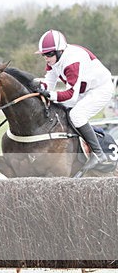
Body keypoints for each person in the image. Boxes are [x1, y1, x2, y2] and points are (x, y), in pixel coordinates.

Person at [34, 29, 113, 172]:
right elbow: (49, 83)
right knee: (56, 110)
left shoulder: (72, 62)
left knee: (77, 115)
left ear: (60, 51)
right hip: (84, 90)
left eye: (50, 54)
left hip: (101, 89)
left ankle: (99, 154)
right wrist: (38, 89)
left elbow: (71, 94)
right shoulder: (53, 60)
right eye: (44, 54)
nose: (46, 58)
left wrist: (50, 94)